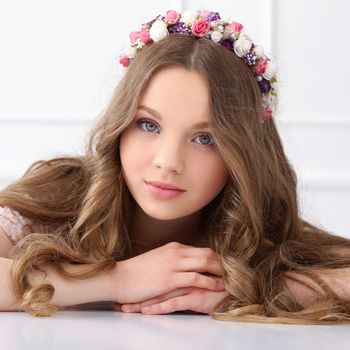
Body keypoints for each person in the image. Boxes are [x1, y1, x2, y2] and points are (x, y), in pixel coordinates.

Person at [0, 8, 350, 324]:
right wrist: (117, 280)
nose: (167, 162)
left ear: (243, 156)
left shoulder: (253, 231)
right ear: (120, 126)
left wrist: (251, 289)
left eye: (205, 139)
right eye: (148, 125)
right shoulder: (62, 197)